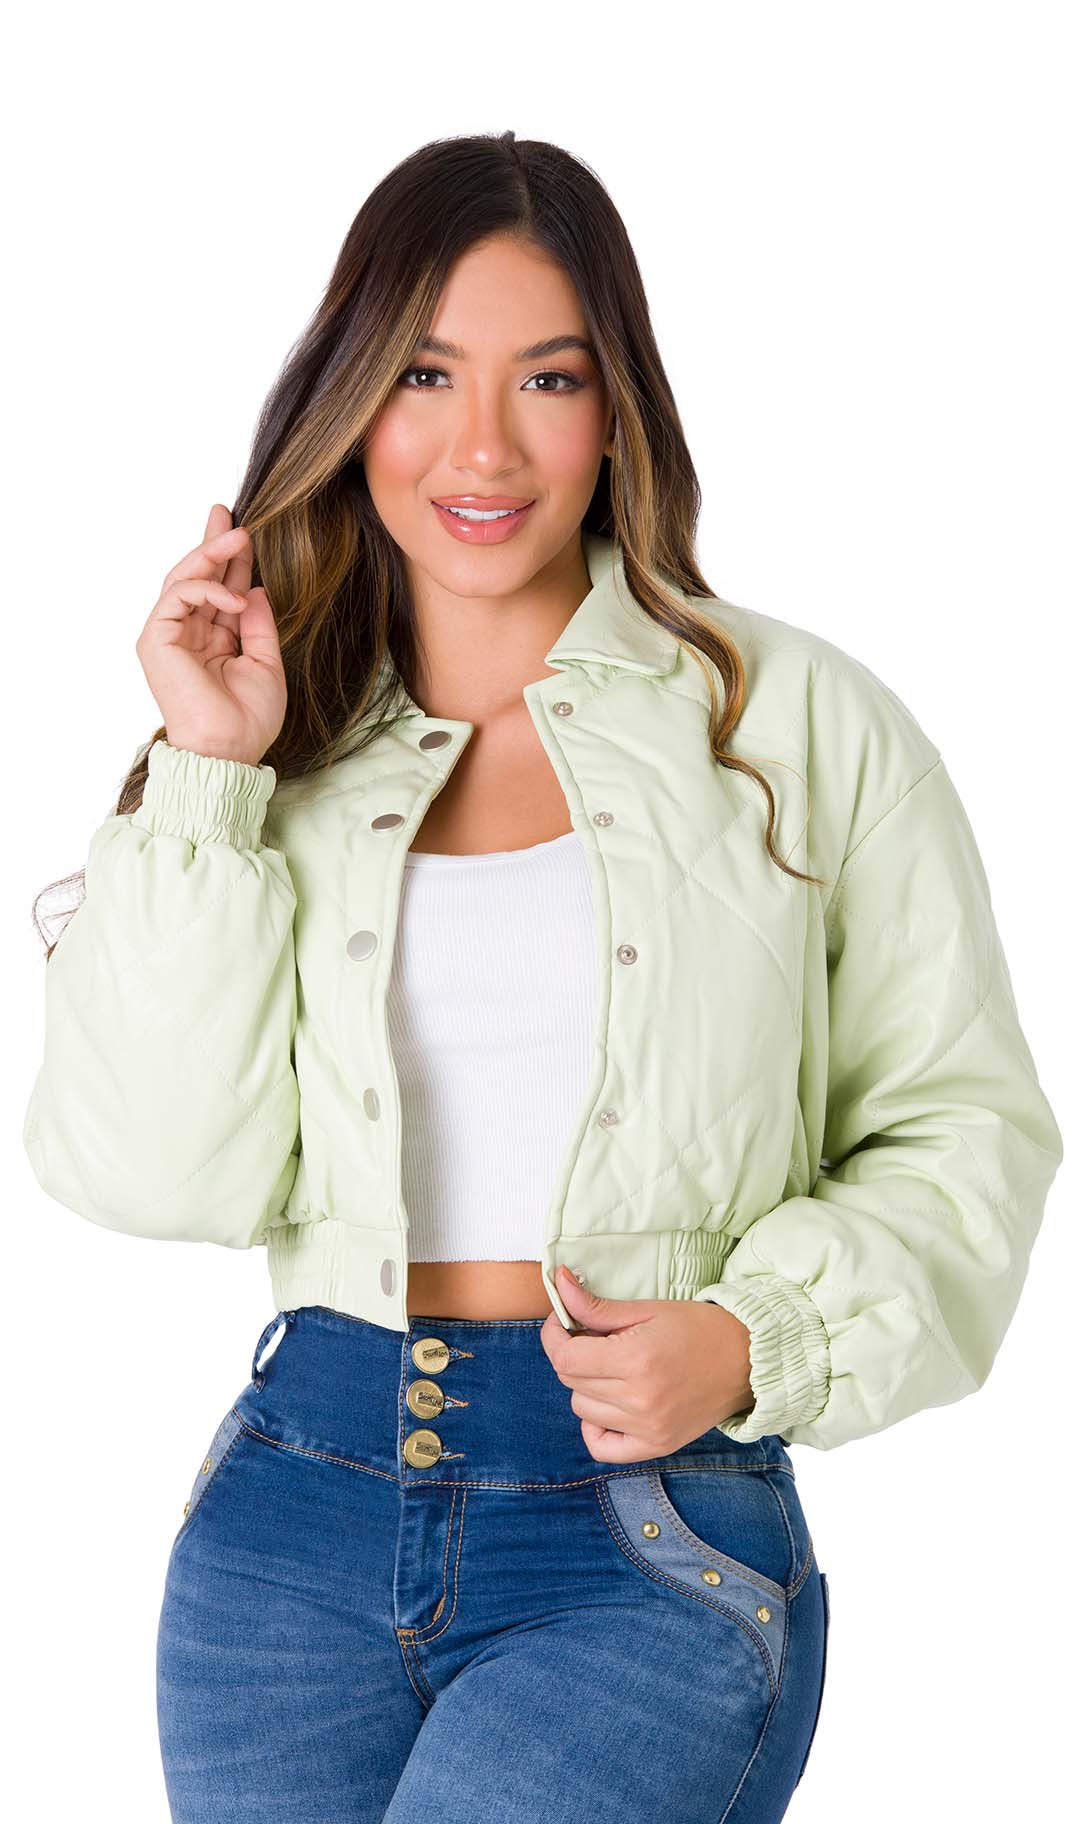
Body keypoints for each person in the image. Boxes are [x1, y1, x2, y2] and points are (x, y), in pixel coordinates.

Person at [23, 132, 1064, 1823]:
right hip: (293, 1521)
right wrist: (208, 770)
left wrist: (754, 1336)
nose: (485, 446)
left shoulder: (795, 727)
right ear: (352, 401)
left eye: (550, 379)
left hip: (640, 1531)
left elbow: (964, 1128)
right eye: (425, 374)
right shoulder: (280, 751)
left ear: (618, 412)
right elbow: (153, 1172)